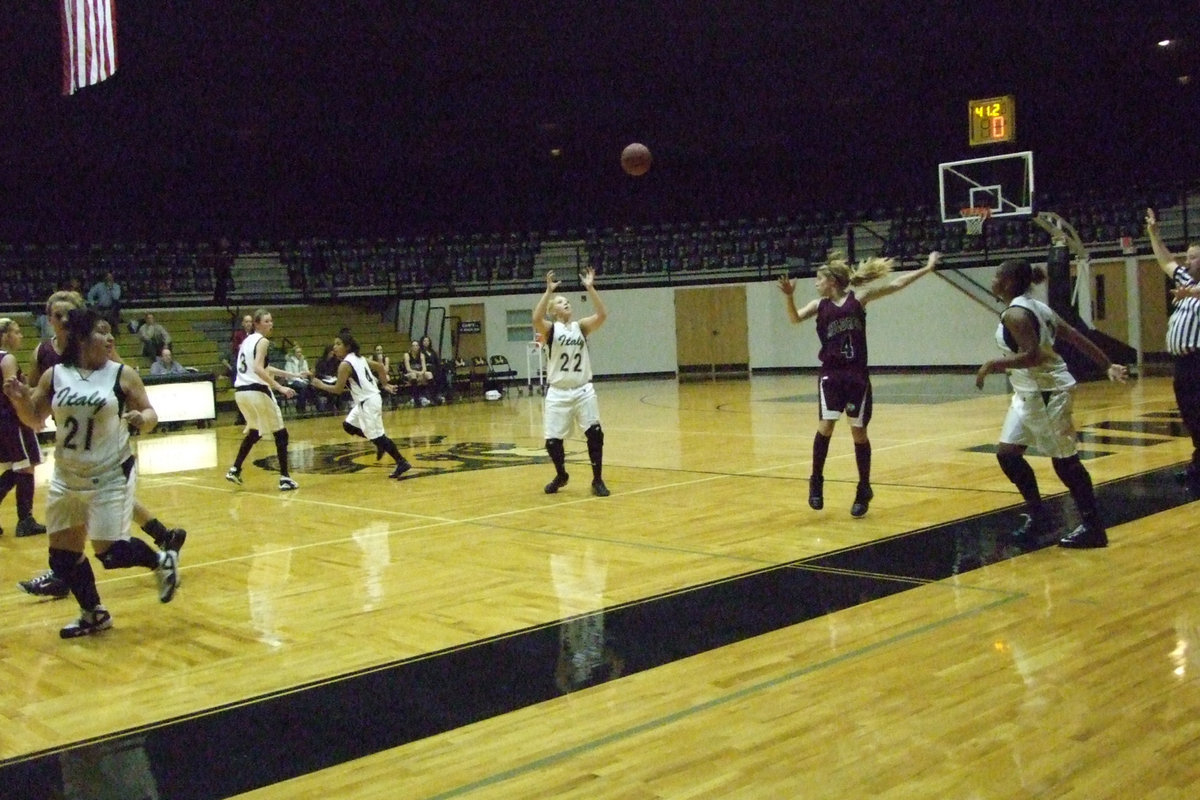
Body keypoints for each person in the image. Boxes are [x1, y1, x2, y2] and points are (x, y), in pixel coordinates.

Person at [3, 307, 180, 638]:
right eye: (102, 331)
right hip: (67, 476)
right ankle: (94, 614)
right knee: (62, 558)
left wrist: (144, 419)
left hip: (109, 473)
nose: (110, 336)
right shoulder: (54, 375)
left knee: (111, 554)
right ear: (82, 338)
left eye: (111, 331)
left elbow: (151, 411)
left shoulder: (122, 374)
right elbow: (35, 419)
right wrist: (17, 401)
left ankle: (160, 562)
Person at [975, 258, 1128, 549]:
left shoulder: (1017, 315)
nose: (993, 281)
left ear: (1008, 282)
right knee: (1007, 455)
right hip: (1026, 393)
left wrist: (992, 364)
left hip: (1046, 391)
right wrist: (1107, 364)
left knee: (1065, 461)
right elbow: (1076, 337)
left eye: (997, 276)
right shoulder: (1037, 307)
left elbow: (1034, 356)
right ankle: (1040, 516)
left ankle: (1094, 527)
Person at [777, 250, 940, 516]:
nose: (816, 283)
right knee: (826, 426)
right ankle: (816, 481)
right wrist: (789, 296)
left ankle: (864, 488)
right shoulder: (819, 306)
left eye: (819, 279)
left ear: (832, 281)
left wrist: (927, 268)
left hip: (856, 375)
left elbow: (895, 284)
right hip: (831, 374)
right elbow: (794, 319)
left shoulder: (858, 299)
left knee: (858, 433)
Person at [532, 267, 610, 497]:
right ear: (553, 311)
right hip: (558, 392)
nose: (566, 303)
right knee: (552, 442)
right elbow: (536, 318)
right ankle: (562, 475)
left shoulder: (581, 327)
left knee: (595, 433)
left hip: (583, 389)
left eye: (567, 301)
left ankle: (597, 479)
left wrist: (590, 287)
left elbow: (603, 314)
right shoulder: (551, 329)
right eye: (560, 302)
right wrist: (548, 292)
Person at [307, 330, 412, 479]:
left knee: (378, 436)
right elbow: (380, 367)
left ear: (347, 346)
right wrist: (385, 384)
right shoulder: (358, 357)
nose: (334, 347)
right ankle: (380, 444)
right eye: (334, 344)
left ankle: (401, 461)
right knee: (348, 425)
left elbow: (337, 389)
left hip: (368, 401)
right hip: (367, 400)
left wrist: (319, 385)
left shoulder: (345, 364)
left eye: (338, 344)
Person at [1145, 208, 1200, 488]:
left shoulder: (1192, 288)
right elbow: (1166, 261)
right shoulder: (1186, 281)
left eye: (1193, 257)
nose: (1187, 262)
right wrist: (1154, 234)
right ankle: (1197, 466)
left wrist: (1190, 293)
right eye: (1188, 257)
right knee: (1191, 416)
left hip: (1198, 361)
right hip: (1182, 364)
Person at [225, 308, 300, 490]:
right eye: (266, 321)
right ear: (257, 324)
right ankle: (284, 478)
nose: (270, 324)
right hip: (257, 391)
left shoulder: (246, 342)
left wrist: (293, 374)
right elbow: (259, 369)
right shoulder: (263, 341)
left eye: (271, 320)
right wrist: (280, 387)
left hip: (241, 393)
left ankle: (235, 469)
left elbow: (262, 367)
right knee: (281, 434)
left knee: (255, 431)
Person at [0, 318, 47, 537]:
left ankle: (25, 519)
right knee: (26, 466)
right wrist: (31, 413)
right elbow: (13, 391)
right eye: (16, 332)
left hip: (3, 420)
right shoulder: (7, 358)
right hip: (13, 418)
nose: (20, 336)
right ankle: (25, 521)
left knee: (14, 468)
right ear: (5, 335)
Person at [284, 343, 315, 413]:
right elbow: (289, 374)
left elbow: (306, 371)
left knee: (310, 387)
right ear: (294, 353)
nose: (300, 353)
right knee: (304, 387)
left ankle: (301, 407)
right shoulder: (289, 362)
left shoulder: (303, 361)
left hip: (303, 380)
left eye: (300, 352)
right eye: (298, 352)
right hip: (292, 381)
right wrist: (299, 375)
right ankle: (301, 408)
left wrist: (308, 373)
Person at [403, 340, 433, 407]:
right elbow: (408, 369)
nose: (415, 347)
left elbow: (424, 368)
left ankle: (432, 397)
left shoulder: (422, 355)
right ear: (411, 347)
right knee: (413, 375)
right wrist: (418, 373)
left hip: (420, 373)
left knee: (429, 374)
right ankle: (416, 399)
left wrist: (421, 373)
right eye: (413, 345)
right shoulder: (407, 355)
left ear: (419, 347)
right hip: (409, 374)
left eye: (416, 345)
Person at [420, 335, 447, 403]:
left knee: (442, 371)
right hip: (426, 368)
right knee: (435, 372)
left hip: (434, 368)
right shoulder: (420, 352)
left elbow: (437, 361)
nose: (426, 342)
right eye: (424, 341)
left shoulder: (432, 351)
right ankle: (433, 395)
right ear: (422, 342)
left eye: (428, 341)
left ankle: (441, 393)